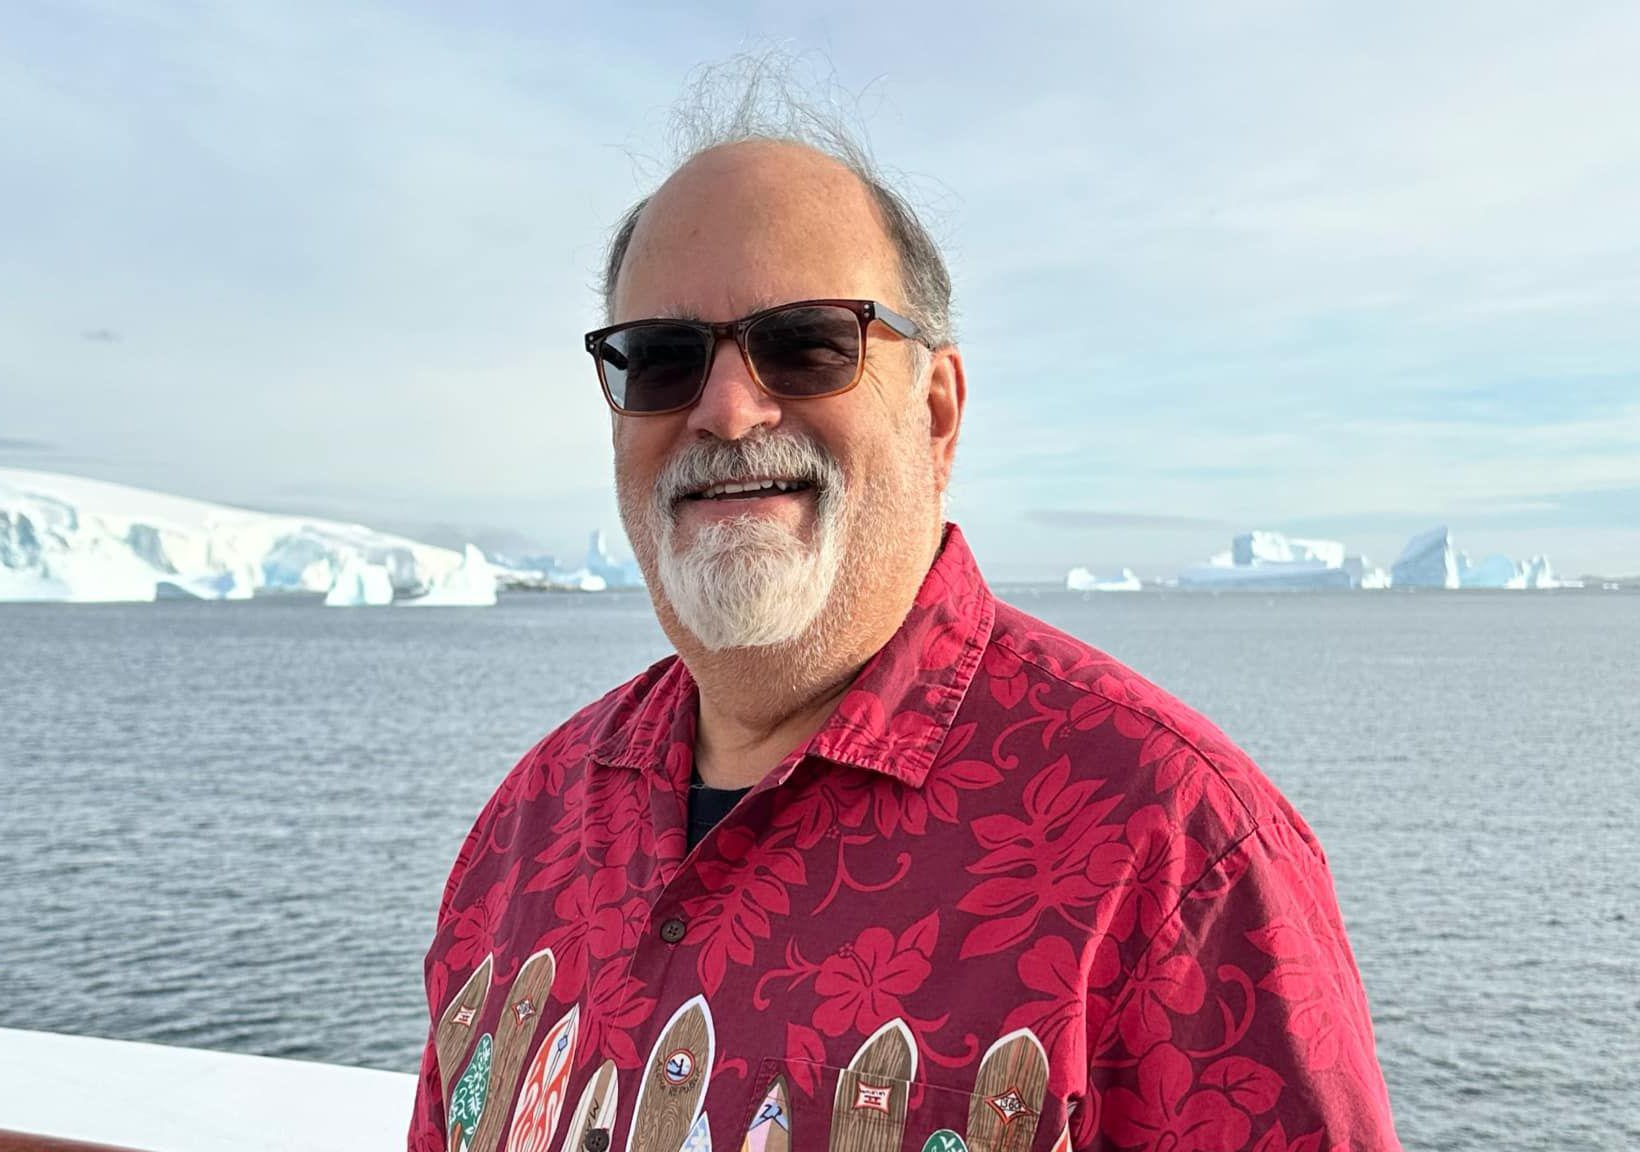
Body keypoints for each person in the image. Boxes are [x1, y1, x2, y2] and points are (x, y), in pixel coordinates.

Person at [409, 87, 1400, 1152]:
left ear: (934, 412)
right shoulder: (527, 830)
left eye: (806, 344)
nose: (727, 408)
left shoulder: (1174, 859)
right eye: (660, 357)